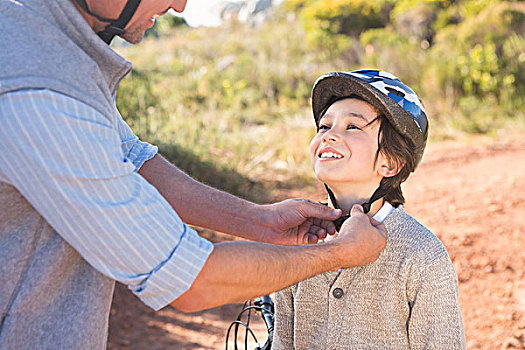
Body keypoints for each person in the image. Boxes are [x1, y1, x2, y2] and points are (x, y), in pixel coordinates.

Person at [0, 1, 388, 349]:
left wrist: (259, 221)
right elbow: (190, 281)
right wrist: (337, 254)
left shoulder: (50, 46)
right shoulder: (37, 89)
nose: (181, 6)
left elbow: (134, 159)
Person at [273, 70, 466, 349]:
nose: (329, 136)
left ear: (390, 163)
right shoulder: (298, 241)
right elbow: (283, 342)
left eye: (352, 127)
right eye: (324, 127)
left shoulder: (422, 256)